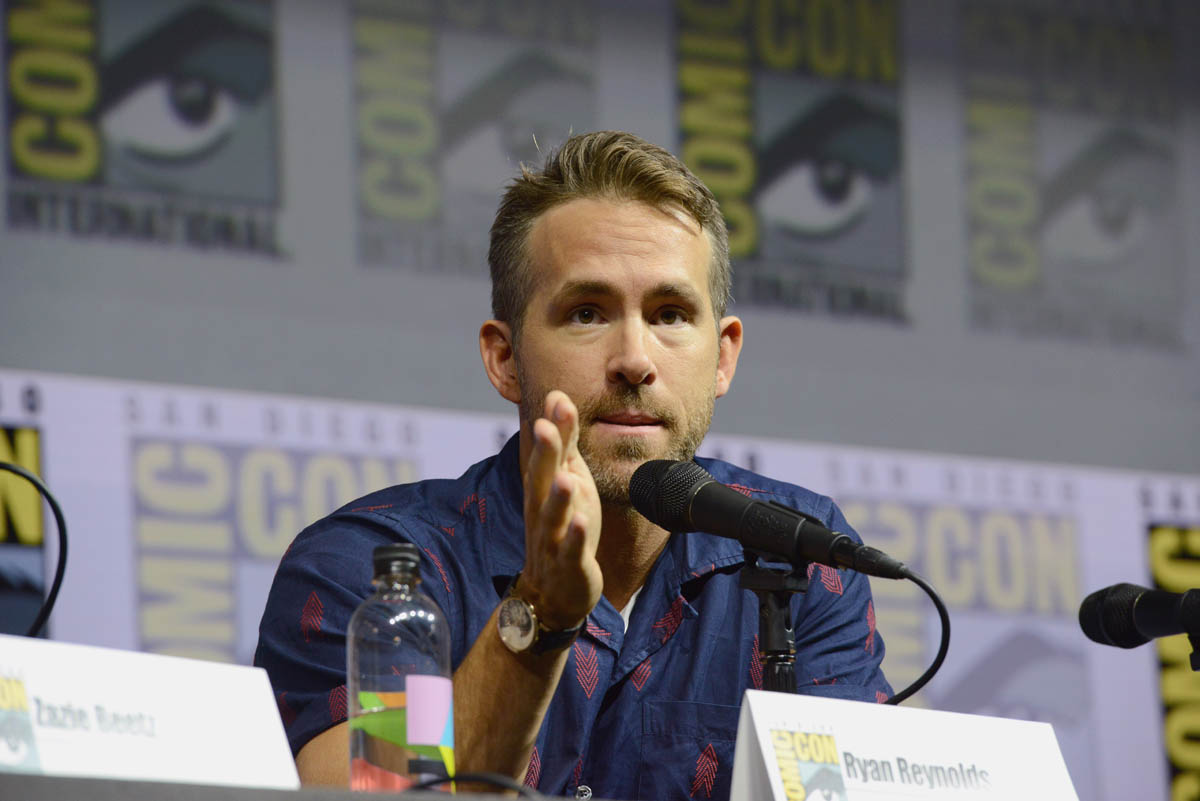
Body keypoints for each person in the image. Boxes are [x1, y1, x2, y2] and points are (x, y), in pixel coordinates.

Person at [255, 131, 891, 800]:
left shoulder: (798, 555)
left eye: (671, 314)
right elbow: (387, 795)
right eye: (587, 313)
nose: (635, 359)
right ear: (505, 358)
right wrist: (539, 613)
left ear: (723, 357)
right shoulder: (376, 569)